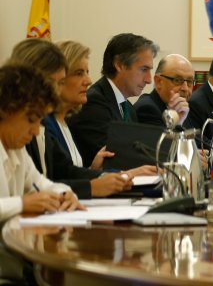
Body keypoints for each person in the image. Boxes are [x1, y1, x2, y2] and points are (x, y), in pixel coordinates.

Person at [6, 39, 147, 199]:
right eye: (79, 73)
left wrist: (113, 175)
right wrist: (95, 185)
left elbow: (47, 182)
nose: (88, 81)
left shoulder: (53, 124)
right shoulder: (34, 128)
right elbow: (49, 182)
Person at [0, 64, 85, 282]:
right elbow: (26, 200)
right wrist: (22, 203)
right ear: (5, 110)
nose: (37, 130)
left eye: (40, 120)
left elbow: (42, 183)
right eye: (31, 119)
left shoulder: (15, 149)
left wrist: (65, 195)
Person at [67, 33, 159, 166]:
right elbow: (115, 159)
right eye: (144, 69)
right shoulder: (93, 103)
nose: (149, 80)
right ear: (120, 65)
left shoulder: (128, 107)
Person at [135, 54, 194, 127]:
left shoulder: (182, 106)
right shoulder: (147, 109)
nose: (185, 88)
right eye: (177, 80)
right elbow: (165, 138)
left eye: (189, 81)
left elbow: (197, 137)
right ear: (159, 81)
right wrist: (177, 121)